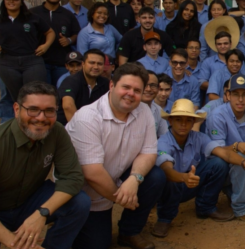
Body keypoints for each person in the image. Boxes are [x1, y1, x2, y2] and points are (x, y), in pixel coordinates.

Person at [0, 81, 90, 249]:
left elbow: (72, 178)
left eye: (49, 111)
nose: (41, 118)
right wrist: (18, 243)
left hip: (26, 202)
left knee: (79, 202)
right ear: (17, 109)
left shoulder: (56, 132)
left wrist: (42, 213)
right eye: (33, 110)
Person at [66, 63, 165, 249]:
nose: (131, 94)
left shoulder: (143, 111)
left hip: (116, 179)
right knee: (97, 244)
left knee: (155, 177)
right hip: (83, 193)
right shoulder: (87, 118)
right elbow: (92, 173)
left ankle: (129, 232)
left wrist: (134, 179)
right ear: (112, 86)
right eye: (125, 87)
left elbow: (149, 152)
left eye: (137, 90)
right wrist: (123, 198)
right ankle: (67, 221)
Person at [151, 99, 237, 238]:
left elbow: (223, 152)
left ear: (193, 123)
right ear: (171, 121)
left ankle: (206, 207)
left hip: (191, 182)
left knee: (218, 163)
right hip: (173, 185)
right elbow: (166, 169)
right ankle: (164, 218)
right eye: (178, 120)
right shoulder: (163, 142)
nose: (183, 124)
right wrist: (184, 177)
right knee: (166, 177)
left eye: (188, 120)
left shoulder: (200, 137)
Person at [203, 74, 245, 224]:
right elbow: (218, 150)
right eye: (235, 94)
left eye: (244, 95)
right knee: (242, 157)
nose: (240, 99)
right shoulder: (217, 115)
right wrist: (237, 146)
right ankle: (242, 207)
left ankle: (235, 191)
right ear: (227, 95)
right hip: (223, 168)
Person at [0, 0, 55, 102]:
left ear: (21, 1)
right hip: (7, 63)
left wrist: (45, 46)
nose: (11, 2)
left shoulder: (32, 18)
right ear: (4, 1)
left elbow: (50, 32)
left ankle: (34, 119)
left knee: (34, 95)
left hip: (32, 61)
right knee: (18, 98)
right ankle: (20, 119)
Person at [31, 0, 82, 85]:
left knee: (61, 92)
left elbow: (77, 34)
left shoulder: (68, 14)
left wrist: (69, 40)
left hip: (61, 63)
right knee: (43, 92)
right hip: (39, 61)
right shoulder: (33, 13)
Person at [58, 49, 110, 124]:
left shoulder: (105, 83)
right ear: (83, 64)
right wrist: (80, 129)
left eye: (100, 64)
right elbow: (68, 106)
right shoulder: (71, 81)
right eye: (92, 63)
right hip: (67, 127)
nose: (96, 67)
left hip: (94, 126)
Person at [142, 71, 169, 138]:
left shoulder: (158, 110)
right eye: (145, 85)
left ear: (158, 88)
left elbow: (164, 138)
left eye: (153, 85)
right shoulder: (128, 109)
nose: (148, 89)